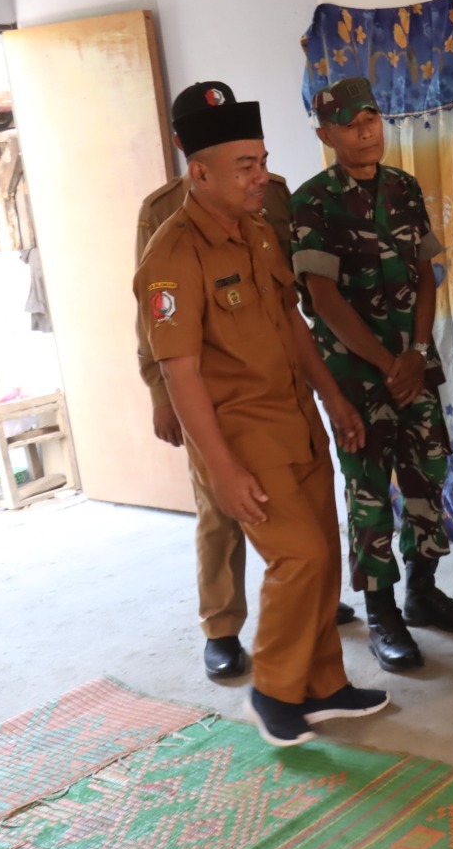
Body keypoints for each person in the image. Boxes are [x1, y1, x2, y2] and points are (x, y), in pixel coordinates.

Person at [134, 94, 387, 746]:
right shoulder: (172, 255)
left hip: (295, 417)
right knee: (298, 556)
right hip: (241, 431)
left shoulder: (257, 231)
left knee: (323, 554)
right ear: (200, 173)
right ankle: (273, 690)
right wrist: (221, 469)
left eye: (262, 161)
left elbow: (291, 321)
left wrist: (332, 397)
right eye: (245, 166)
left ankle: (323, 684)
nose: (261, 177)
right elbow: (178, 372)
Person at [290, 77, 453, 673]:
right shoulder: (312, 201)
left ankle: (422, 591)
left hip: (414, 366)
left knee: (428, 473)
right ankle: (381, 614)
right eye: (350, 125)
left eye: (371, 119)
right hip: (357, 376)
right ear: (326, 135)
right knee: (370, 491)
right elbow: (322, 299)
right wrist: (387, 362)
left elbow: (427, 273)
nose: (365, 132)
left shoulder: (403, 187)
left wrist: (418, 350)